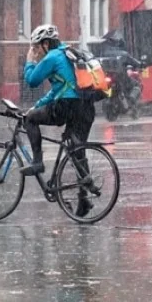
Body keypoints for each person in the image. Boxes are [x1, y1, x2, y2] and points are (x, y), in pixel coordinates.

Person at [21, 24, 96, 216]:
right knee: (77, 149)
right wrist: (39, 105)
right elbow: (59, 89)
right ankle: (84, 197)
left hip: (67, 106)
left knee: (30, 120)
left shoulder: (52, 57)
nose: (36, 52)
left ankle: (38, 161)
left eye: (37, 48)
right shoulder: (68, 53)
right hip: (86, 106)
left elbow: (32, 81)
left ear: (46, 44)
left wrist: (29, 62)